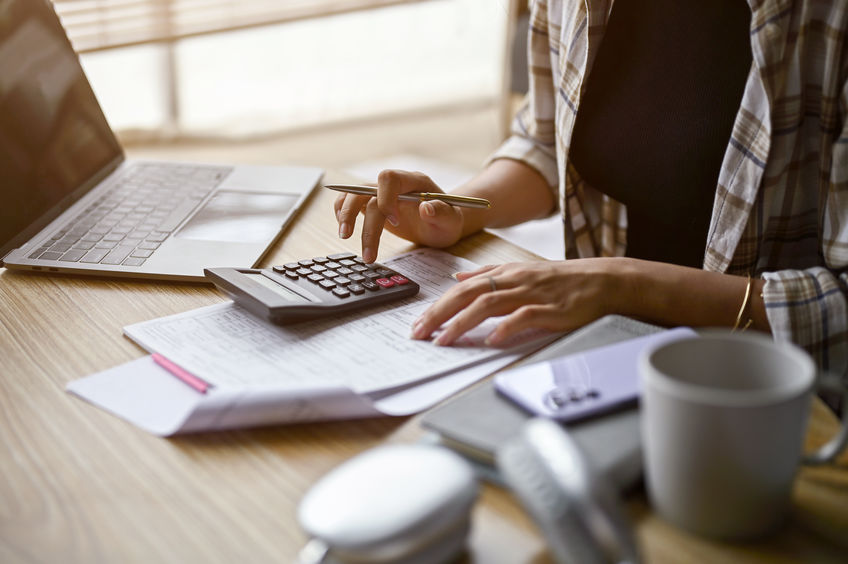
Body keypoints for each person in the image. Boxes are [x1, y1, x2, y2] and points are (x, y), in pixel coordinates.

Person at [332, 0, 848, 379]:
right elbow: (542, 139)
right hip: (607, 347)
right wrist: (459, 211)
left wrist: (620, 284)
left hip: (771, 397)